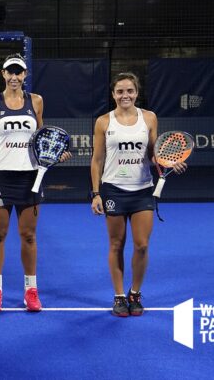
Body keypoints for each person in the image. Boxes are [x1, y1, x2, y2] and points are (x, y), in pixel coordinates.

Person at [0, 53, 70, 313]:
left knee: (28, 235)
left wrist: (56, 151)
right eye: (10, 72)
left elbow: (42, 136)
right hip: (1, 175)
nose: (14, 77)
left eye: (19, 72)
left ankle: (31, 291)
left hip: (30, 176)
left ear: (25, 75)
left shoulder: (36, 101)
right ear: (3, 74)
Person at [90, 72, 186, 317]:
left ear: (136, 93)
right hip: (113, 189)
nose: (125, 95)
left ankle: (135, 293)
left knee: (142, 245)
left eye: (130, 91)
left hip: (142, 189)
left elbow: (154, 153)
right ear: (113, 94)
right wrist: (96, 193)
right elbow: (97, 160)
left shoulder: (149, 118)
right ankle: (119, 296)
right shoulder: (103, 121)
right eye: (120, 91)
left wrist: (169, 161)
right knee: (116, 244)